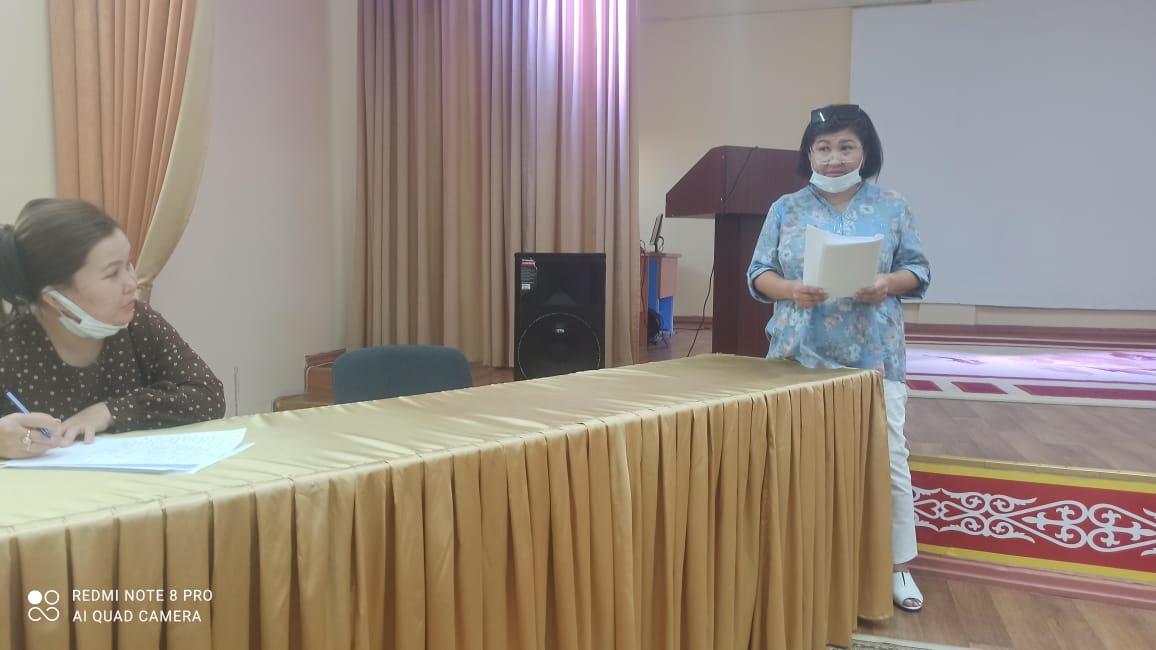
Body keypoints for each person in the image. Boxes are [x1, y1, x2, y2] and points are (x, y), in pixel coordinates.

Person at [746, 104, 931, 612]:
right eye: (823, 148)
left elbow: (919, 270)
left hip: (874, 356)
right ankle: (801, 562)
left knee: (888, 459)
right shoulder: (786, 208)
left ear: (865, 152)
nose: (833, 158)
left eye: (846, 147)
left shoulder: (892, 206)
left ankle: (897, 566)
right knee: (795, 459)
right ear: (808, 153)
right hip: (797, 355)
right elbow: (758, 273)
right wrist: (791, 289)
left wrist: (886, 283)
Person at [0, 199, 225, 459]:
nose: (131, 283)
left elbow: (208, 396)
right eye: (111, 274)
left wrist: (109, 411)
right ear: (55, 300)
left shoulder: (138, 322)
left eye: (128, 264)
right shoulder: (8, 344)